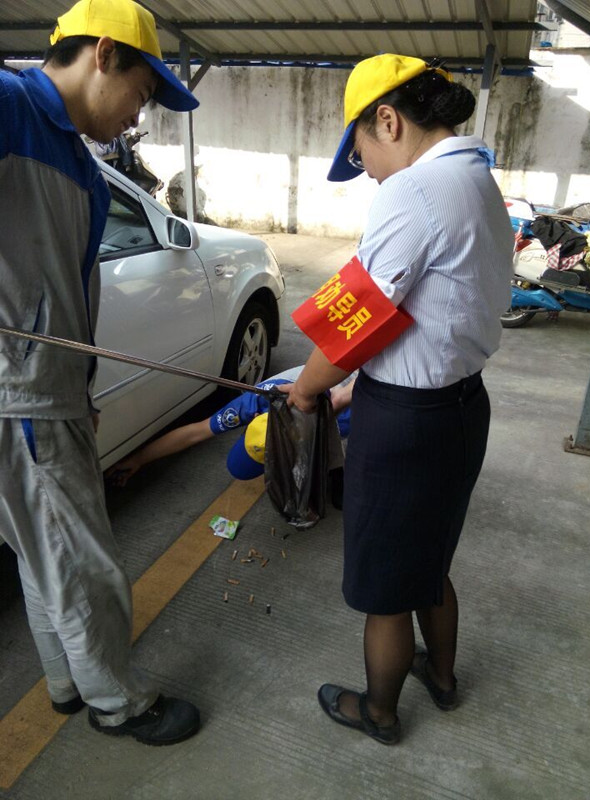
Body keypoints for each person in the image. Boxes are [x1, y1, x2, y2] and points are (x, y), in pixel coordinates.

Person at [279, 54, 514, 745]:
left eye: (363, 157)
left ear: (388, 120)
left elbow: (357, 319)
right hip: (463, 408)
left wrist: (306, 389)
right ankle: (440, 676)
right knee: (429, 561)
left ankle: (378, 712)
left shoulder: (413, 191)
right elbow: (425, 308)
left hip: (406, 423)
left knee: (386, 582)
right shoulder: (478, 181)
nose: (371, 174)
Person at [0, 0, 203, 746]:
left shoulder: (80, 166)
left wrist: (78, 390)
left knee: (41, 550)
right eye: (141, 94)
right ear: (105, 54)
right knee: (83, 561)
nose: (137, 117)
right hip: (20, 393)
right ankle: (119, 703)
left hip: (47, 389)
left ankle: (65, 681)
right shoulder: (11, 105)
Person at [106, 367, 352, 497]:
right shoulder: (252, 403)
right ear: (254, 421)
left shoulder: (342, 420)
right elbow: (195, 432)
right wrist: (138, 459)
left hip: (347, 383)